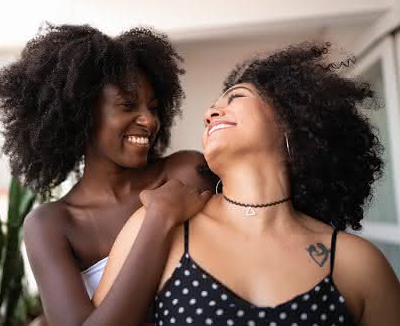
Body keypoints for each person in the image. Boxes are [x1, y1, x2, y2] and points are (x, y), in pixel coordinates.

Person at [94, 42, 400, 325]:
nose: (210, 113)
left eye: (237, 97)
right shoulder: (160, 226)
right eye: (211, 109)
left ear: (291, 121)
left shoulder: (358, 264)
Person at [0, 23, 215, 325]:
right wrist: (158, 219)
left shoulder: (185, 173)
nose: (149, 120)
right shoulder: (51, 225)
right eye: (128, 105)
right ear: (82, 114)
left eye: (154, 108)